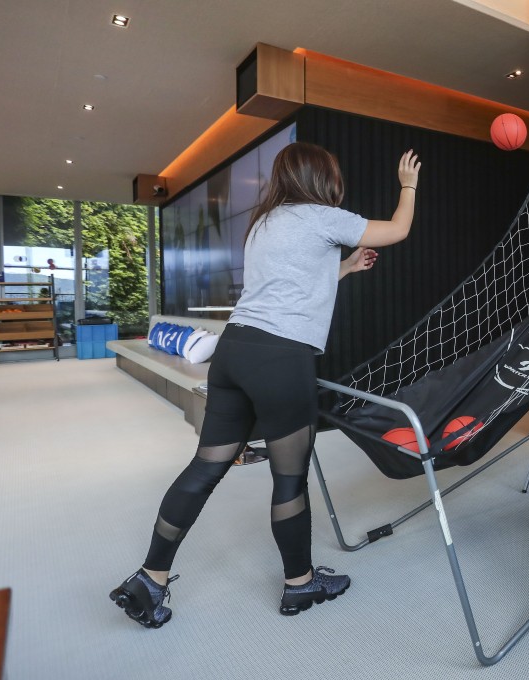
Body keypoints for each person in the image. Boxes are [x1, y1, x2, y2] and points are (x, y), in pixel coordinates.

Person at [110, 142, 421, 627]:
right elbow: (398, 229)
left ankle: (150, 578)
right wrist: (408, 185)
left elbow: (292, 284)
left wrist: (345, 267)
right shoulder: (322, 216)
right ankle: (300, 583)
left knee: (205, 467)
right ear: (322, 178)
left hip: (234, 351)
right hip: (280, 358)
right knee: (289, 478)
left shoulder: (264, 223)